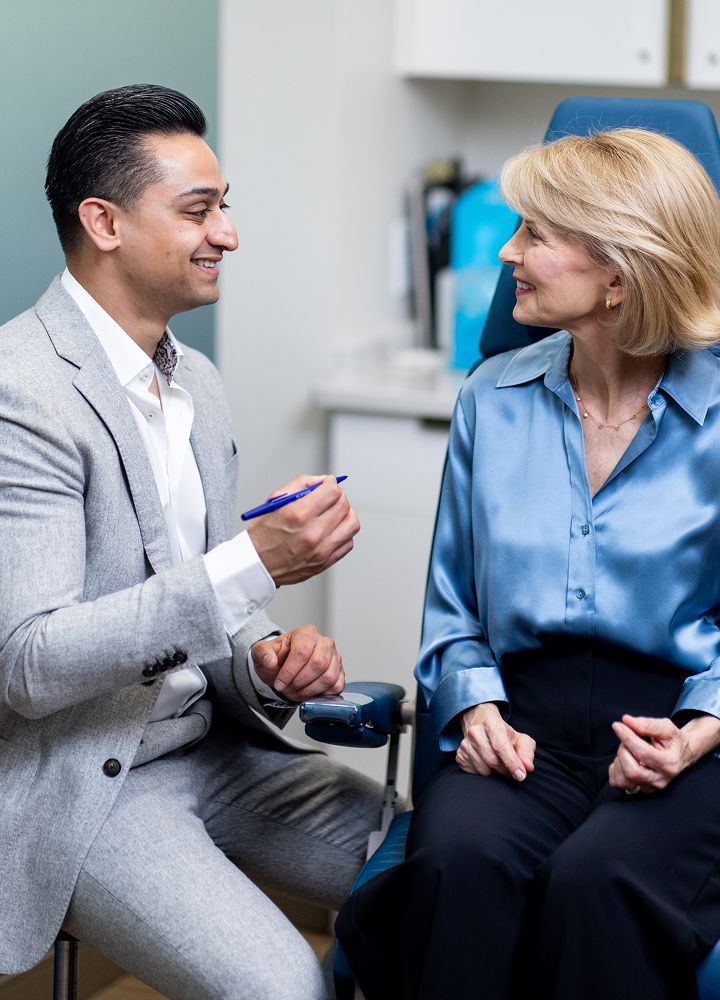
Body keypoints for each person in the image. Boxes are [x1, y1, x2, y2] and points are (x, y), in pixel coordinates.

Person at [0, 84, 382, 1000]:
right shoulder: (23, 395)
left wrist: (268, 660)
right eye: (199, 211)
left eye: (225, 206)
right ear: (105, 223)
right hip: (92, 781)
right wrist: (254, 561)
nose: (229, 234)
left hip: (219, 745)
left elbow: (198, 606)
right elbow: (29, 662)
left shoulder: (196, 381)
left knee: (445, 881)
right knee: (286, 988)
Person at [335, 127, 720, 1000]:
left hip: (686, 732)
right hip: (523, 725)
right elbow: (454, 609)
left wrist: (698, 730)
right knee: (460, 865)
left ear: (619, 274)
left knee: (598, 883)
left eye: (536, 234)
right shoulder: (492, 400)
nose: (507, 253)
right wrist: (472, 705)